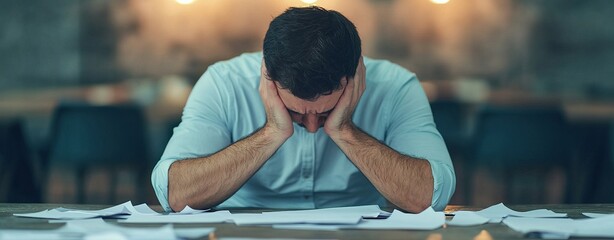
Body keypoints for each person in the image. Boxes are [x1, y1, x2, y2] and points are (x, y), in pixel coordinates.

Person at [152, 6, 455, 213]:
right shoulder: (223, 82)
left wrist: (344, 130)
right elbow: (174, 193)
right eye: (296, 112)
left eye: (324, 112)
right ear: (267, 76)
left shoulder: (396, 85)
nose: (312, 127)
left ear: (356, 75)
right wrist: (272, 132)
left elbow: (432, 195)